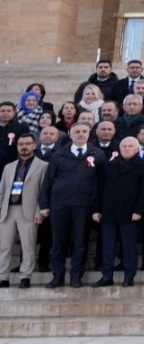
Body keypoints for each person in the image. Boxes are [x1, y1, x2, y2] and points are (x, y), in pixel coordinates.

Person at [39, 122, 105, 288]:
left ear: (89, 134)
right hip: (60, 205)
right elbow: (48, 182)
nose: (81, 134)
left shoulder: (97, 154)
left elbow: (102, 183)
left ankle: (76, 276)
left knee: (80, 242)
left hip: (84, 205)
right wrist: (44, 204)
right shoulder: (58, 155)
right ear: (70, 134)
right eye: (77, 132)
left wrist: (97, 207)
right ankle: (58, 276)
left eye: (84, 131)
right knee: (58, 243)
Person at [92, 136, 144, 287]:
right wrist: (97, 209)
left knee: (129, 246)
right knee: (107, 246)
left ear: (137, 149)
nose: (127, 149)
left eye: (130, 146)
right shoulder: (109, 166)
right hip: (109, 212)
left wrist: (138, 210)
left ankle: (129, 277)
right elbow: (100, 189)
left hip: (130, 213)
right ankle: (107, 276)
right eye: (124, 146)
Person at [0, 132, 46, 289]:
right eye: (21, 144)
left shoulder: (43, 166)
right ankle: (3, 277)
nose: (24, 147)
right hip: (7, 211)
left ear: (34, 146)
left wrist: (40, 211)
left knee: (28, 246)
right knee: (4, 246)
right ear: (17, 146)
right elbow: (2, 190)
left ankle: (25, 276)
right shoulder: (9, 167)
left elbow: (44, 191)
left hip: (29, 211)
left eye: (27, 144)